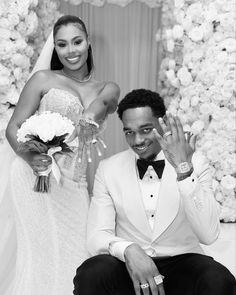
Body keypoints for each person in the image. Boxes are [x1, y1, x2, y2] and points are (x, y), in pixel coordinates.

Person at [73, 89, 236, 295]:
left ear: (162, 123)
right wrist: (129, 250)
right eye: (129, 132)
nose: (137, 140)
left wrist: (183, 170)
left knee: (218, 279)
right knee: (91, 273)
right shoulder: (108, 168)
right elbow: (97, 235)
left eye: (146, 129)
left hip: (182, 262)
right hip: (129, 266)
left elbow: (209, 235)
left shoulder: (196, 162)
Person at [3, 15, 120, 295]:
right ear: (55, 48)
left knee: (79, 251)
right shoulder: (43, 79)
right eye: (62, 44)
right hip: (33, 176)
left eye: (77, 42)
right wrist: (31, 159)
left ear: (88, 42)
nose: (71, 51)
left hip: (74, 180)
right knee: (37, 253)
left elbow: (103, 105)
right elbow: (13, 127)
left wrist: (89, 116)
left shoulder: (106, 87)